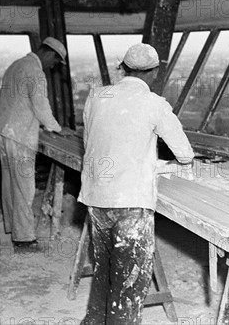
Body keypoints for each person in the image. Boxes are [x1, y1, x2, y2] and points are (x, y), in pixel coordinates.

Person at [78, 43, 194, 324]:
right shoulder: (154, 103)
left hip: (96, 198)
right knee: (129, 282)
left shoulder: (97, 96)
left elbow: (90, 143)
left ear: (124, 67)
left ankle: (94, 321)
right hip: (131, 204)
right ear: (154, 72)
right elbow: (185, 154)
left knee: (103, 271)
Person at [0, 37, 72, 252]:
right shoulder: (35, 71)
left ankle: (13, 229)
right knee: (24, 187)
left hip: (5, 131)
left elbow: (20, 102)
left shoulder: (17, 64)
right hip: (19, 135)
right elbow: (41, 106)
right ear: (50, 54)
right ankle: (24, 240)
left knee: (11, 184)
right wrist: (58, 129)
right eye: (55, 62)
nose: (52, 67)